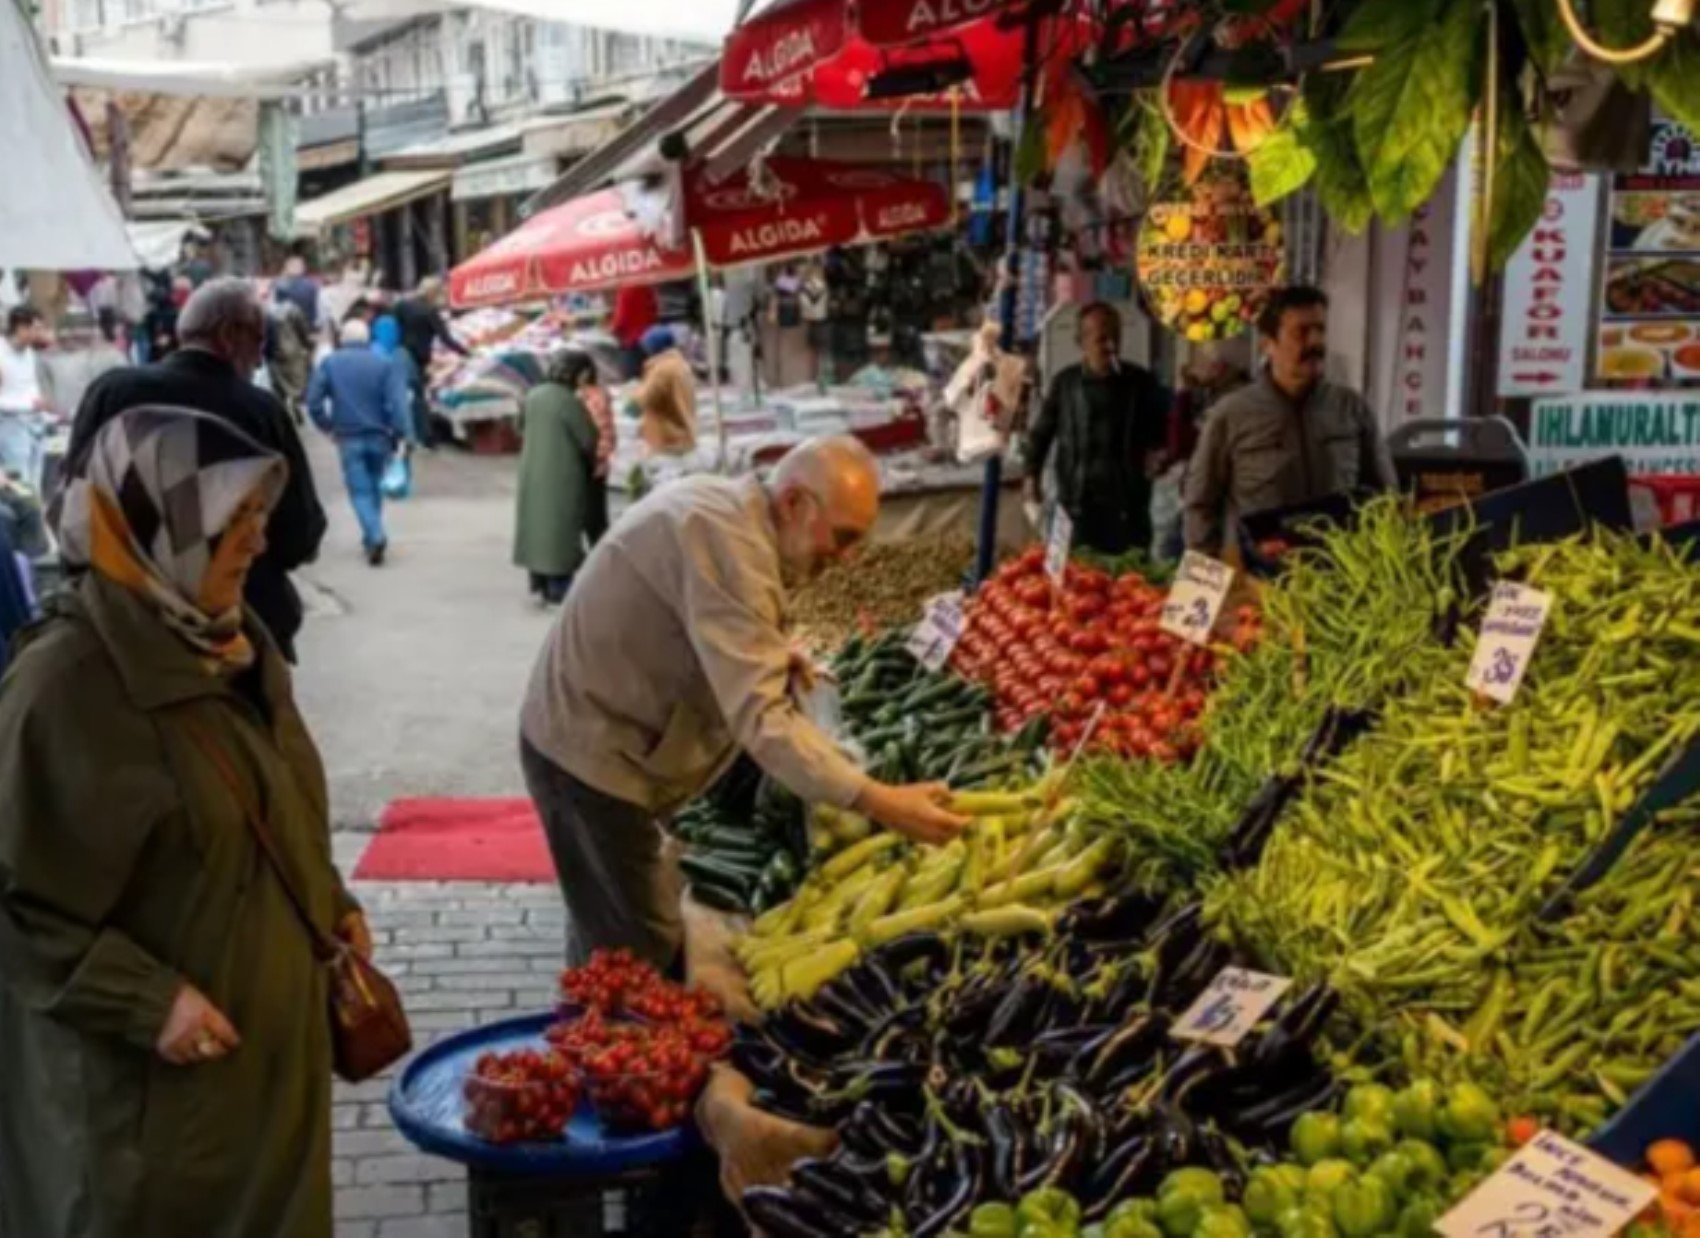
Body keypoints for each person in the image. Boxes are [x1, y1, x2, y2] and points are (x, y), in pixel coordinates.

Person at [0, 404, 368, 1237]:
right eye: (231, 518)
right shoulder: (67, 685)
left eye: (257, 515)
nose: (259, 541)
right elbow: (19, 905)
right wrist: (147, 1002)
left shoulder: (235, 645)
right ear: (151, 523)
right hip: (154, 1128)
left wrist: (331, 900)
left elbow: (274, 802)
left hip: (266, 1089)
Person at [519, 435, 970, 969]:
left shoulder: (737, 520)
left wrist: (776, 653)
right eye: (843, 537)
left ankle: (587, 1023)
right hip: (589, 758)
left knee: (607, 922)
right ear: (795, 502)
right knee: (637, 949)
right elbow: (762, 719)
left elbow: (712, 623)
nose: (846, 558)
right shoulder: (724, 537)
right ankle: (606, 1037)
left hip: (606, 737)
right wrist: (879, 800)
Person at [67, 279, 327, 664]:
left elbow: (74, 506)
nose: (259, 360)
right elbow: (299, 534)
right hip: (241, 626)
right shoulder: (260, 410)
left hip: (122, 625)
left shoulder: (112, 392)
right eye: (258, 342)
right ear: (228, 335)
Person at [1183, 286, 1397, 556]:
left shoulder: (1352, 409)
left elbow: (1385, 496)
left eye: (1321, 329)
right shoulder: (1231, 415)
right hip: (1259, 582)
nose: (1316, 341)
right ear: (1268, 343)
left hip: (1342, 578)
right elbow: (1200, 504)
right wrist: (1211, 578)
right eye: (1302, 332)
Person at [1024, 301, 1170, 557]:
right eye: (1102, 339)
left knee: (1129, 581)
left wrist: (1159, 455)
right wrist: (1030, 477)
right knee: (1074, 580)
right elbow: (1040, 434)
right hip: (1075, 507)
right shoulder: (1065, 384)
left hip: (1129, 508)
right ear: (1082, 342)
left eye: (1116, 337)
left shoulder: (1141, 383)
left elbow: (1163, 431)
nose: (1111, 346)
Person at [307, 318, 411, 566]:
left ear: (343, 338)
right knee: (374, 486)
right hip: (380, 435)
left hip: (348, 435)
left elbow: (313, 402)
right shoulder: (385, 363)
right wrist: (400, 433)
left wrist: (327, 426)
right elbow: (398, 402)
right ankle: (372, 534)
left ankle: (374, 535)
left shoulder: (331, 363)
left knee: (360, 491)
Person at [514, 351, 602, 606]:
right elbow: (588, 439)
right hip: (563, 472)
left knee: (535, 525)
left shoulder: (533, 395)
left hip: (532, 470)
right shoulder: (568, 402)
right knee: (560, 529)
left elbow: (519, 427)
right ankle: (559, 586)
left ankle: (539, 581)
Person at [393, 277, 466, 448]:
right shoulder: (430, 311)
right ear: (433, 292)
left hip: (401, 352)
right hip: (418, 358)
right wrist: (467, 353)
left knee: (404, 395)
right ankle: (425, 437)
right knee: (419, 397)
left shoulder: (403, 305)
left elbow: (394, 326)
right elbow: (446, 339)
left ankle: (407, 434)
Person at [0, 308, 52, 486]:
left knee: (36, 477)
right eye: (36, 329)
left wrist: (39, 400)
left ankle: (36, 512)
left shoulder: (30, 353)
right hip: (11, 419)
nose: (40, 334)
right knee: (21, 477)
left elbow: (29, 383)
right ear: (21, 328)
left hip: (34, 418)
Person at [634, 325, 697, 456]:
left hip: (667, 440)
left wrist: (635, 392)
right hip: (682, 433)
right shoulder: (680, 364)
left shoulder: (662, 370)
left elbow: (645, 399)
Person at [610, 282, 659, 379]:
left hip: (632, 344)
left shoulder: (624, 290)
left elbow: (620, 322)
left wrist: (612, 331)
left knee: (633, 385)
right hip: (650, 341)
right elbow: (655, 312)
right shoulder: (647, 287)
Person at [273, 255, 321, 327]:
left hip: (290, 325)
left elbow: (277, 307)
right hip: (310, 323)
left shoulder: (281, 285)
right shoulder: (311, 284)